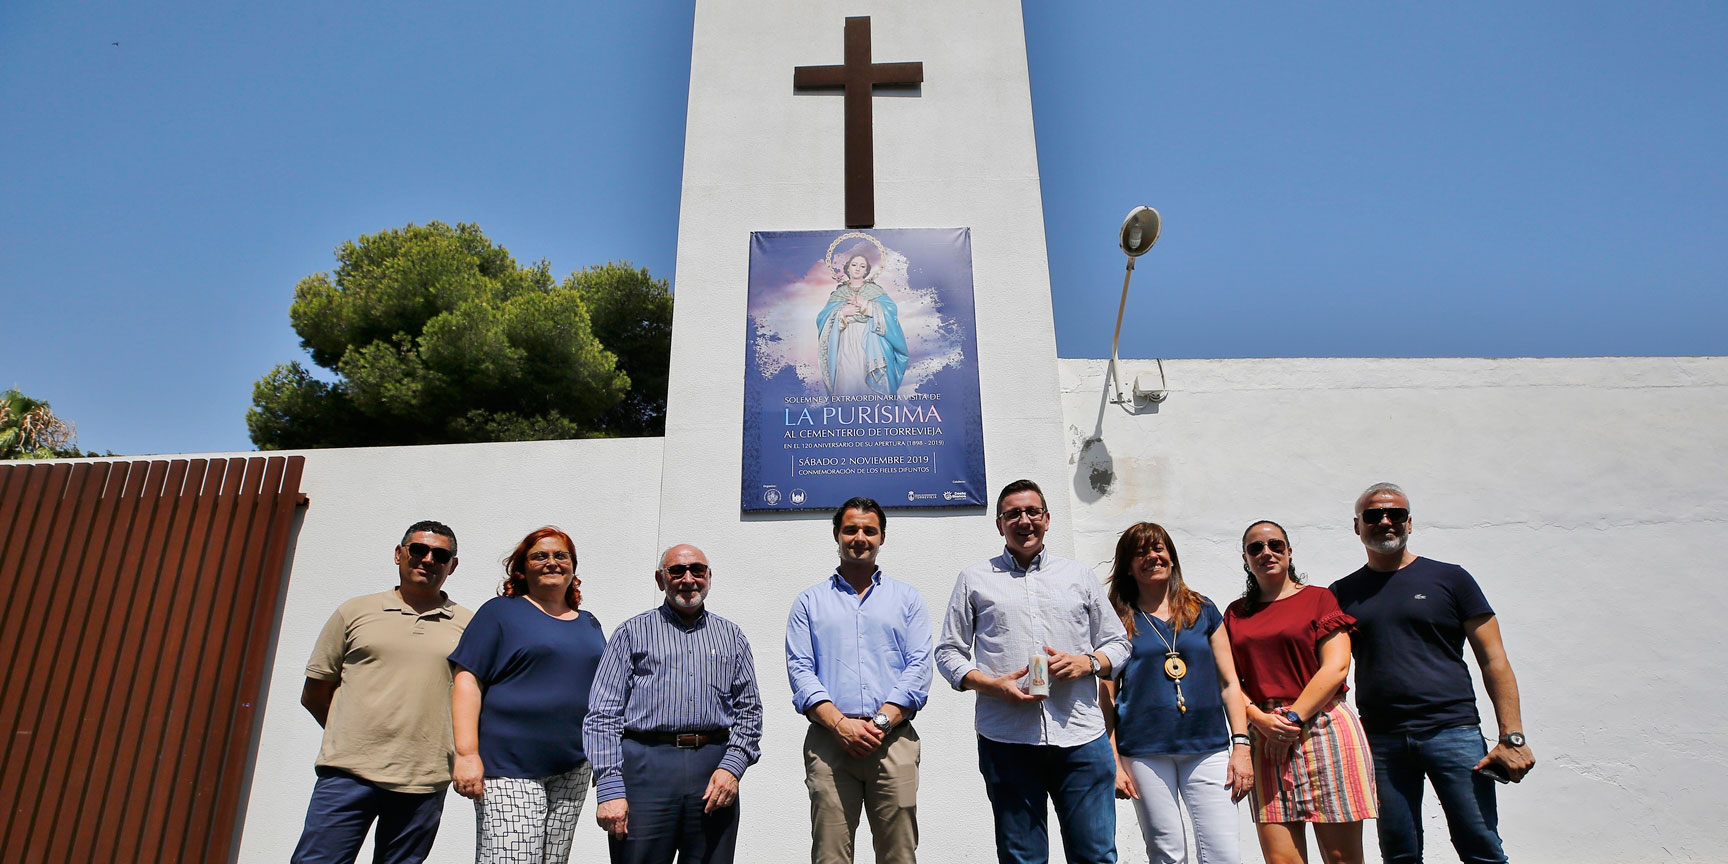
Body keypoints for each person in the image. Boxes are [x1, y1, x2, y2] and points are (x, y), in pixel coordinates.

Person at [1330, 483, 1534, 864]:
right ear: (1357, 526)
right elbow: (1327, 667)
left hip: (1453, 732)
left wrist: (1513, 736)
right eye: (1373, 515)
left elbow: (1494, 660)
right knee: (1399, 852)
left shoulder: (1451, 579)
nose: (1385, 521)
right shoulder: (1342, 593)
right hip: (1382, 740)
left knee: (1481, 847)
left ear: (1410, 522)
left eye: (1395, 514)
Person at [935, 479, 1131, 864]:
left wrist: (1087, 663)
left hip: (1081, 737)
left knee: (1096, 855)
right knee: (1021, 857)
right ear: (999, 524)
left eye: (1032, 512)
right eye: (1013, 514)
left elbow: (1119, 644)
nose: (1024, 521)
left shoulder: (1079, 576)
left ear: (1047, 519)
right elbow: (948, 652)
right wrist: (990, 685)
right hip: (1007, 738)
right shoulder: (975, 579)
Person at [292, 520, 474, 864]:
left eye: (440, 554)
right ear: (399, 554)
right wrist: (353, 739)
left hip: (424, 780)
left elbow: (474, 699)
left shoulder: (469, 625)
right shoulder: (355, 612)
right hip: (348, 775)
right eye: (418, 550)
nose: (428, 559)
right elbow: (315, 693)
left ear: (453, 565)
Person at [584, 544, 764, 864]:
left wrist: (733, 768)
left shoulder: (731, 636)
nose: (688, 579)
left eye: (697, 570)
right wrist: (609, 788)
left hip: (713, 771)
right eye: (677, 571)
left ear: (708, 577)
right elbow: (602, 715)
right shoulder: (631, 633)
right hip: (645, 769)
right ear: (660, 579)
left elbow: (750, 711)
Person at [785, 496, 933, 864]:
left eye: (870, 530)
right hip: (830, 744)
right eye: (850, 529)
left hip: (893, 741)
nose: (859, 537)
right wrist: (840, 725)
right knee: (830, 855)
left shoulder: (908, 599)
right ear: (836, 534)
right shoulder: (809, 602)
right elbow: (801, 670)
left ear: (882, 537)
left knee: (899, 854)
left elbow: (919, 668)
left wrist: (879, 722)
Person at [448, 526, 607, 864]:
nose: (551, 562)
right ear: (521, 568)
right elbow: (467, 680)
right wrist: (466, 753)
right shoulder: (499, 613)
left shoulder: (589, 623)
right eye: (540, 556)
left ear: (573, 567)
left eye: (560, 555)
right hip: (510, 767)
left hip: (573, 768)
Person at [1101, 522, 1253, 864]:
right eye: (1140, 553)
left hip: (1208, 746)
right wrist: (1113, 762)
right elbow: (1106, 698)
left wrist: (1241, 745)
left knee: (1224, 854)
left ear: (1171, 556)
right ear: (1127, 565)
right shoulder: (1116, 619)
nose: (1152, 557)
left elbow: (1230, 683)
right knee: (1167, 854)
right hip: (1144, 751)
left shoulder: (1202, 610)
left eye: (1158, 549)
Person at [1225, 520, 1375, 864]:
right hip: (1264, 731)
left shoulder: (1320, 599)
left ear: (1289, 552)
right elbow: (1230, 680)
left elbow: (1336, 667)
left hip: (1324, 727)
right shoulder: (1236, 613)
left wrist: (1291, 720)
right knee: (1282, 859)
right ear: (1246, 559)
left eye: (1276, 545)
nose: (1267, 553)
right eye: (1256, 548)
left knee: (1342, 857)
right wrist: (1261, 720)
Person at [817, 251, 908, 397]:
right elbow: (822, 318)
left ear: (866, 270)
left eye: (862, 266)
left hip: (871, 339)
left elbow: (891, 311)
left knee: (868, 379)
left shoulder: (875, 290)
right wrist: (842, 312)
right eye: (854, 265)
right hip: (846, 340)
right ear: (848, 268)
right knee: (847, 377)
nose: (857, 268)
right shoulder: (838, 293)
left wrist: (865, 304)